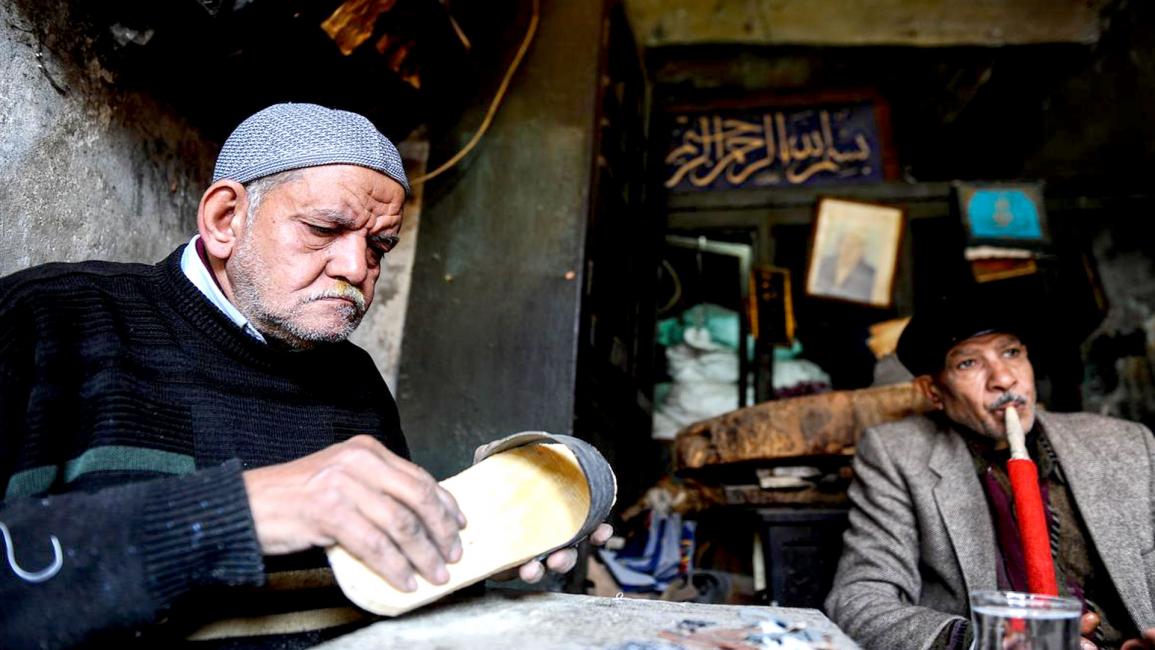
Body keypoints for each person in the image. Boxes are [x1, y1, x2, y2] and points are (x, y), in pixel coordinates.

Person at [0, 103, 611, 648]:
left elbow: (369, 601)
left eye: (380, 247)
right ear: (224, 218)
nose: (356, 267)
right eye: (324, 229)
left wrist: (464, 555)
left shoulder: (355, 381)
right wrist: (241, 511)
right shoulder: (48, 319)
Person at [825, 285, 1155, 650]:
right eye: (969, 363)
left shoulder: (1126, 444)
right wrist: (989, 640)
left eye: (1011, 352)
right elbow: (858, 601)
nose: (1004, 378)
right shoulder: (897, 454)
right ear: (933, 391)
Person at [813, 231, 877, 303]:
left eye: (853, 246)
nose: (847, 250)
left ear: (862, 251)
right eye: (844, 244)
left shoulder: (871, 274)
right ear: (838, 246)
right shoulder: (822, 263)